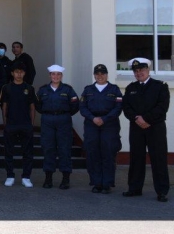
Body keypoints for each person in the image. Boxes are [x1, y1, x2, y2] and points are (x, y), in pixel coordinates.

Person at [121, 58, 170, 203]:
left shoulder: (160, 86)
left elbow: (162, 107)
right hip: (136, 128)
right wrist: (137, 118)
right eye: (136, 71)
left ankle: (162, 191)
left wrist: (146, 119)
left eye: (141, 70)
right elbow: (126, 107)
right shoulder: (131, 88)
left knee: (158, 159)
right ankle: (135, 188)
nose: (139, 73)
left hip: (155, 128)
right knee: (136, 158)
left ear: (148, 70)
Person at [79, 64, 123, 194]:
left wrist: (104, 119)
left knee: (108, 153)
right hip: (91, 124)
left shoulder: (114, 90)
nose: (100, 76)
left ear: (107, 75)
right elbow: (82, 107)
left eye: (102, 74)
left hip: (109, 125)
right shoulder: (88, 90)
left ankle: (107, 183)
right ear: (94, 75)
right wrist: (93, 118)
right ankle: (96, 183)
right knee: (93, 153)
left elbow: (118, 107)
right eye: (97, 74)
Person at [36, 64, 79, 190]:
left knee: (64, 149)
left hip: (63, 120)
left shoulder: (68, 89)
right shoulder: (43, 90)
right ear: (50, 75)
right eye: (53, 74)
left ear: (61, 76)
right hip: (47, 120)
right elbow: (38, 105)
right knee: (48, 148)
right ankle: (48, 178)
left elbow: (75, 105)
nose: (56, 76)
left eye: (58, 74)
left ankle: (65, 179)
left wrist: (65, 114)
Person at [0, 61, 37, 188]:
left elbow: (32, 107)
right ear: (12, 73)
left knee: (27, 152)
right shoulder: (7, 88)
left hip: (26, 124)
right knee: (9, 152)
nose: (19, 74)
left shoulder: (29, 88)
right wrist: (5, 122)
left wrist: (31, 124)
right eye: (16, 72)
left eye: (21, 72)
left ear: (24, 73)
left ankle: (26, 177)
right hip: (11, 124)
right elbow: (4, 106)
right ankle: (10, 175)